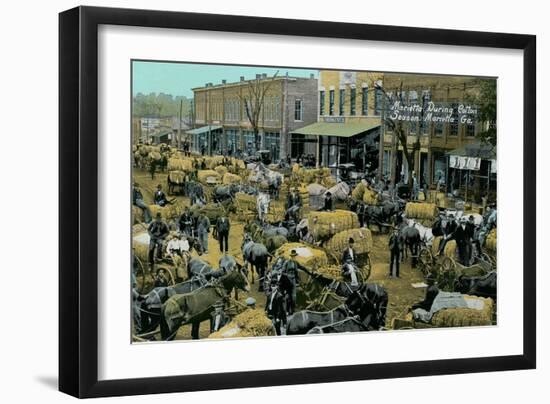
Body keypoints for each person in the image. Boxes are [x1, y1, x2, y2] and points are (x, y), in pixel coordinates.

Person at [283, 250, 300, 314]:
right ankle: (287, 309)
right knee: (288, 296)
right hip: (288, 280)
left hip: (293, 280)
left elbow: (296, 272)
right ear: (291, 256)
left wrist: (297, 281)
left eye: (295, 256)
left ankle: (292, 309)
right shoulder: (287, 262)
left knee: (294, 296)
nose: (294, 257)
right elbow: (283, 271)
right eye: (293, 256)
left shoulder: (295, 263)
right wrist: (286, 278)